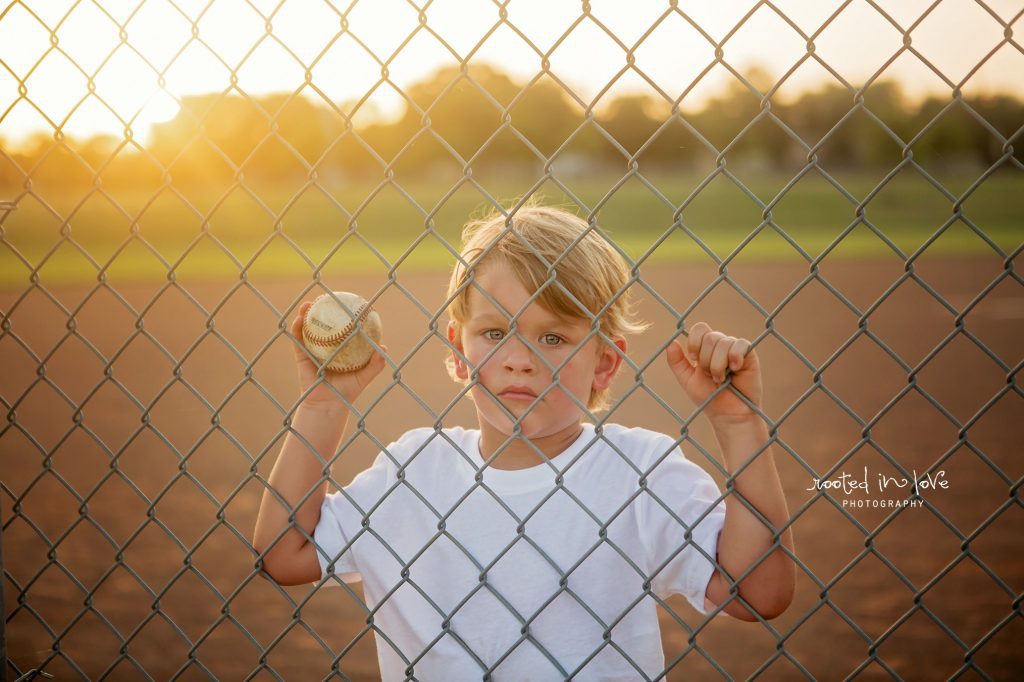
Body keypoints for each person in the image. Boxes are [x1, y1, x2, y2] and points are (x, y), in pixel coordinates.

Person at [252, 203, 795, 680]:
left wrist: (738, 425)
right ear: (458, 350)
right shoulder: (414, 471)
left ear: (605, 363)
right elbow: (285, 554)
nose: (519, 358)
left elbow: (759, 593)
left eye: (553, 337)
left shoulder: (639, 471)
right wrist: (323, 406)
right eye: (494, 332)